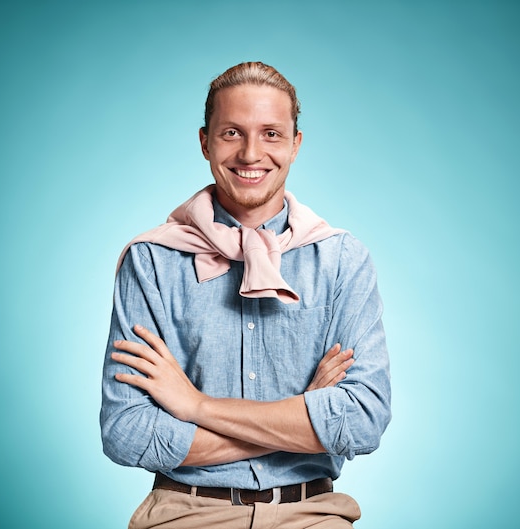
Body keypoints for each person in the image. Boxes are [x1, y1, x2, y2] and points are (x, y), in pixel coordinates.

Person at [100, 61, 391, 528]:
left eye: (271, 134)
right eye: (232, 132)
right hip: (184, 513)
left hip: (311, 514)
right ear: (205, 142)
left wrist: (197, 407)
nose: (251, 153)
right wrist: (302, 419)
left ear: (296, 145)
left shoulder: (343, 260)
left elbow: (362, 421)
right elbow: (126, 432)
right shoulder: (151, 262)